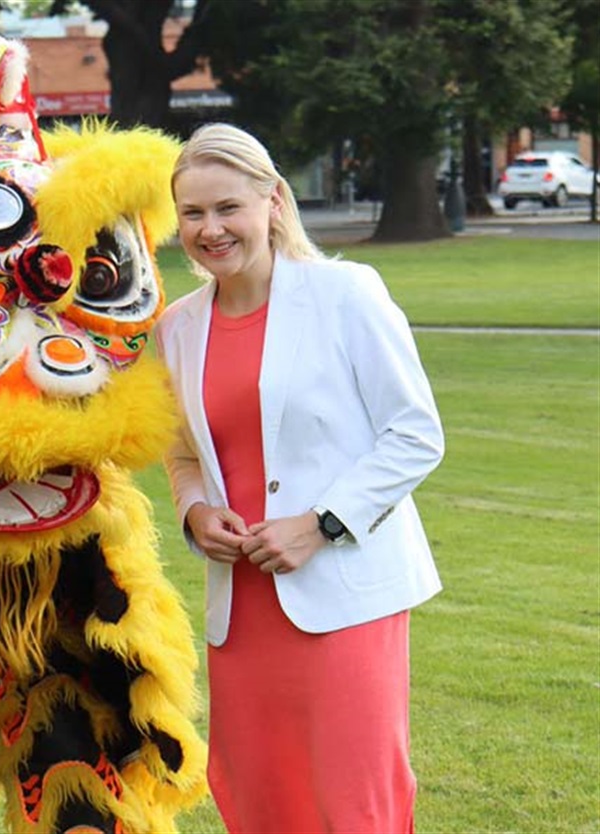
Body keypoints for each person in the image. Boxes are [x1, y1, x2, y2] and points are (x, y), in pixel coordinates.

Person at [154, 123, 444, 833]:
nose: (211, 229)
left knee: (354, 794)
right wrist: (195, 514)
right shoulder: (176, 327)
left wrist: (319, 525)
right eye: (193, 214)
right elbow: (182, 453)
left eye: (229, 208)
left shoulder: (346, 293)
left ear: (274, 202)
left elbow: (415, 434)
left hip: (343, 595)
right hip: (241, 608)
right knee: (256, 787)